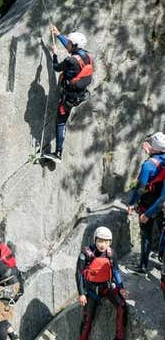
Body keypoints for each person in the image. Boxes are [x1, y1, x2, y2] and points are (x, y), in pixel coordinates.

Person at [40, 26, 93, 163]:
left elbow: (57, 68)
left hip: (68, 98)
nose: (67, 44)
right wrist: (58, 35)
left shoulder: (71, 61)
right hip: (79, 94)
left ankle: (58, 153)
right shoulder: (87, 57)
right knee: (62, 119)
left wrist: (55, 54)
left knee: (61, 121)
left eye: (69, 42)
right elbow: (71, 48)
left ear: (74, 45)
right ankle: (57, 151)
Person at [75, 226, 128, 340]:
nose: (102, 244)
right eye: (100, 241)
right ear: (95, 240)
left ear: (110, 242)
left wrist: (121, 287)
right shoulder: (85, 254)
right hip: (91, 291)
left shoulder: (111, 254)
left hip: (106, 288)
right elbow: (79, 273)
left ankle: (119, 337)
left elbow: (115, 271)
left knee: (122, 305)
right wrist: (81, 294)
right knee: (87, 319)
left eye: (106, 241)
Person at [127, 132, 165, 272]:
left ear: (154, 147)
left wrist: (131, 203)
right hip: (161, 206)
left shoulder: (148, 165)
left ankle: (143, 266)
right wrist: (152, 152)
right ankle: (162, 260)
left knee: (146, 235)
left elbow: (140, 188)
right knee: (163, 231)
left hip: (147, 205)